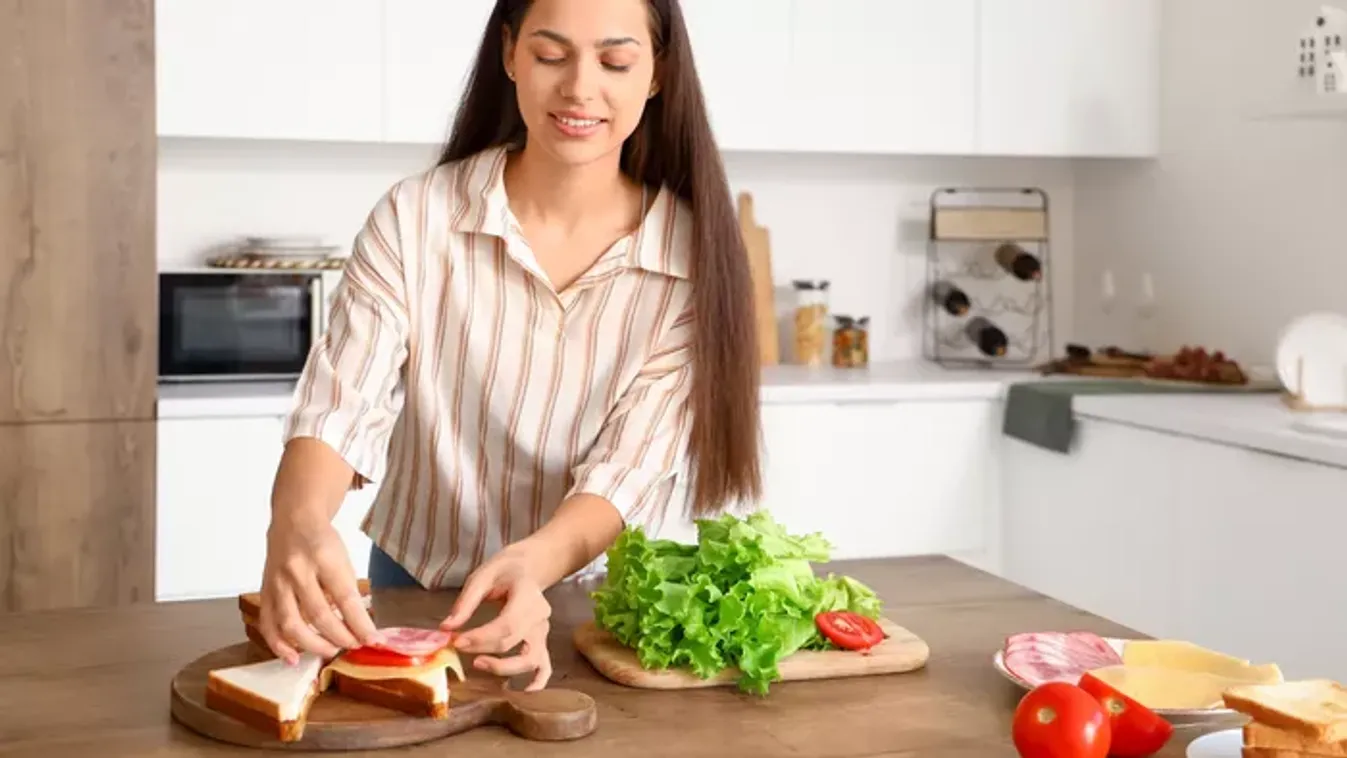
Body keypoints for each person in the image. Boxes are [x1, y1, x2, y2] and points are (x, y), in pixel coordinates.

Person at [256, 0, 762, 691]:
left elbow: (626, 468)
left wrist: (534, 564)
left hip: (584, 603)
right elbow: (344, 400)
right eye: (551, 55)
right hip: (413, 581)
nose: (580, 87)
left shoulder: (689, 258)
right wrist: (298, 519)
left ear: (656, 73)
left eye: (614, 61)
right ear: (510, 54)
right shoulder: (416, 216)